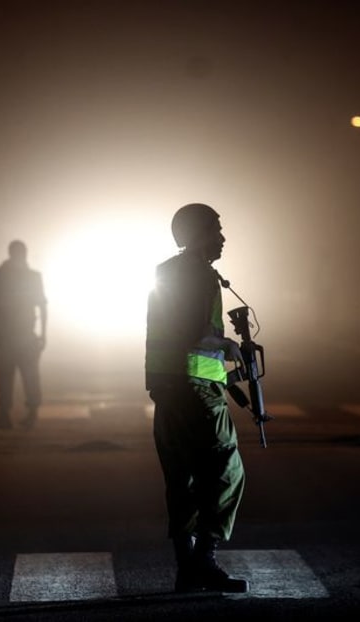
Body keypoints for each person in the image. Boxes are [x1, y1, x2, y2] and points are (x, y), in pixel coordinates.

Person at [145, 203, 249, 593]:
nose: (222, 238)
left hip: (167, 392)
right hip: (199, 394)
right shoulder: (202, 278)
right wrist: (229, 346)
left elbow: (173, 335)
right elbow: (196, 337)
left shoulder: (164, 273)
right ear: (198, 234)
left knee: (180, 478)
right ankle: (204, 560)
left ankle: (185, 568)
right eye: (215, 230)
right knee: (225, 472)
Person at [0, 240, 47, 430]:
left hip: (13, 334)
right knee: (24, 376)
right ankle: (20, 414)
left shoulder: (1, 275)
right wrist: (43, 333)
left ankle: (8, 415)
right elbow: (42, 306)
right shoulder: (28, 276)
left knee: (11, 376)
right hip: (17, 334)